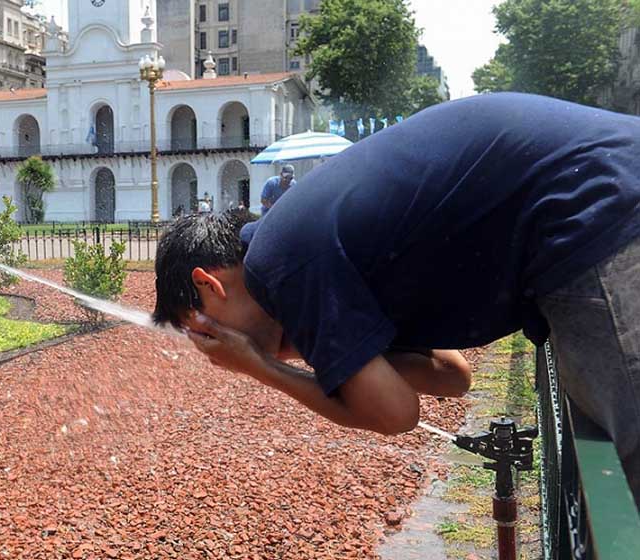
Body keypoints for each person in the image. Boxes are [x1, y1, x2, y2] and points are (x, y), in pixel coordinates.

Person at [152, 93, 640, 508]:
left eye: (201, 327)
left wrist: (261, 367)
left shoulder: (280, 261)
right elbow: (450, 376)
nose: (208, 344)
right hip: (599, 193)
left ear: (209, 285)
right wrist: (316, 350)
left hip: (597, 211)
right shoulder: (306, 253)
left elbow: (396, 415)